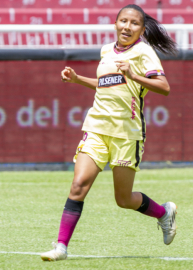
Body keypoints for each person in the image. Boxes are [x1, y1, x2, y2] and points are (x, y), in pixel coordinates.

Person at [40, 4, 178, 262]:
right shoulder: (106, 50)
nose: (127, 26)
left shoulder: (143, 51)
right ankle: (61, 247)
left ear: (142, 28)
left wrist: (134, 74)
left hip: (127, 134)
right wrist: (78, 79)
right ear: (115, 24)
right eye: (122, 21)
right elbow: (106, 84)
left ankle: (163, 213)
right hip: (96, 128)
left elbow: (164, 87)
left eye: (134, 23)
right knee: (78, 185)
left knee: (123, 199)